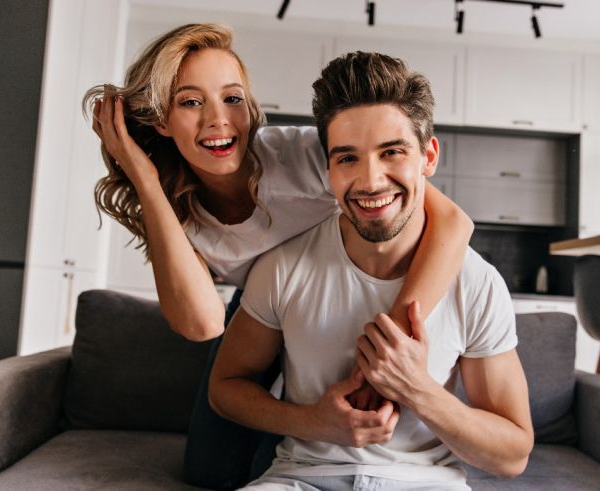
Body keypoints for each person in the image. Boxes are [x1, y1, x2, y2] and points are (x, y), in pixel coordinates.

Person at [85, 24, 473, 489]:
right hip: (258, 309)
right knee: (210, 470)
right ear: (161, 121)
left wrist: (387, 347)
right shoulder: (174, 208)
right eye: (190, 102)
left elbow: (454, 222)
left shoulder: (303, 153)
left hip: (338, 294)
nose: (218, 120)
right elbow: (205, 324)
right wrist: (144, 177)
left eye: (232, 98)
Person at [208, 51, 534, 491]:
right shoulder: (285, 265)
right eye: (347, 159)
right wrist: (312, 422)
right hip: (302, 480)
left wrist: (417, 388)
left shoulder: (476, 284)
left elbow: (513, 454)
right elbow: (226, 387)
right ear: (328, 169)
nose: (370, 180)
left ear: (429, 155)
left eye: (392, 152)